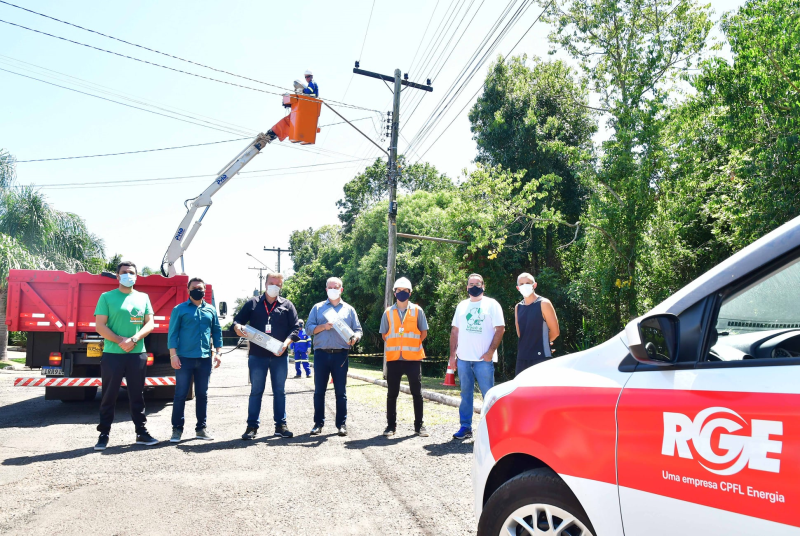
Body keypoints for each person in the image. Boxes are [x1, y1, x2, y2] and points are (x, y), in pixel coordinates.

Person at [93, 261, 157, 451]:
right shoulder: (106, 297)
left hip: (137, 354)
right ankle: (103, 433)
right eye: (124, 272)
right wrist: (121, 341)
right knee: (108, 395)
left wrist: (134, 338)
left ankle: (141, 432)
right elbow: (100, 326)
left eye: (131, 272)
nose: (128, 275)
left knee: (137, 395)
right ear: (117, 276)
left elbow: (150, 323)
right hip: (113, 354)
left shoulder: (143, 297)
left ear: (136, 276)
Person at [233, 273, 301, 440]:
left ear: (281, 286)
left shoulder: (287, 305)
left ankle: (281, 426)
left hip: (279, 356)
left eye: (278, 284)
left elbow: (295, 328)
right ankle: (252, 427)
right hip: (257, 356)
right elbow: (237, 321)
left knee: (279, 391)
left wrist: (285, 344)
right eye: (272, 283)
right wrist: (238, 328)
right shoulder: (252, 303)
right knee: (256, 391)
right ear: (265, 284)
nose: (274, 287)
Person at [448, 273, 505, 440]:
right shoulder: (462, 306)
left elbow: (500, 329)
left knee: (488, 395)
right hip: (464, 359)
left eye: (477, 283)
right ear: (466, 287)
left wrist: (490, 353)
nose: (474, 286)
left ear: (483, 286)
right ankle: (465, 427)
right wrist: (453, 356)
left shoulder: (492, 304)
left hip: (483, 361)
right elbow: (455, 331)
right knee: (466, 394)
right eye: (471, 284)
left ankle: (492, 429)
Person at [167, 277, 223, 443]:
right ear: (188, 289)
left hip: (205, 359)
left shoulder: (211, 310)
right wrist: (173, 355)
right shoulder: (180, 309)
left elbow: (217, 332)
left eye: (200, 288)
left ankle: (201, 429)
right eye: (194, 287)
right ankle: (177, 430)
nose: (197, 290)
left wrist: (219, 352)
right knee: (180, 395)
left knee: (202, 395)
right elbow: (173, 333)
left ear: (205, 290)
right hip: (184, 359)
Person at [305, 277, 362, 437]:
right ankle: (318, 424)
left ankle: (341, 425)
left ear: (341, 289)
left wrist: (355, 338)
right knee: (319, 391)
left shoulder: (349, 310)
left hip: (340, 355)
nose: (332, 289)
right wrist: (323, 326)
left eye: (335, 287)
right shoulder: (317, 308)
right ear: (326, 290)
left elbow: (358, 330)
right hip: (321, 354)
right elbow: (308, 329)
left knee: (341, 392)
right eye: (330, 287)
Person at [379, 277, 429, 438]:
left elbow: (423, 333)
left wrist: (410, 344)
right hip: (394, 359)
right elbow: (384, 334)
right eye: (399, 290)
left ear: (410, 293)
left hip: (413, 358)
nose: (402, 293)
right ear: (394, 293)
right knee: (392, 394)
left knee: (417, 393)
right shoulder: (388, 312)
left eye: (405, 291)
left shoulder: (417, 311)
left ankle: (419, 426)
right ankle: (390, 426)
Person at [514, 272, 560, 376]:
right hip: (522, 357)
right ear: (518, 288)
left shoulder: (544, 303)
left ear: (534, 285)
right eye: (521, 284)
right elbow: (520, 334)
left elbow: (555, 332)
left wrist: (543, 343)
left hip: (541, 357)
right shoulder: (518, 307)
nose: (524, 286)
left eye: (527, 283)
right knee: (522, 391)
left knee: (542, 391)